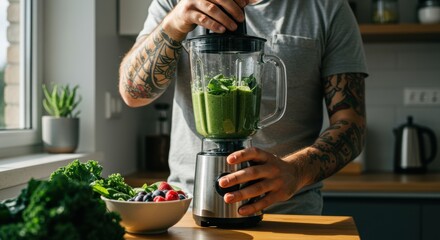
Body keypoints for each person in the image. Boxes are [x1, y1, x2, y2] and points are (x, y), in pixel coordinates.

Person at [119, 0, 368, 215]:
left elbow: (351, 124)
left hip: (289, 212)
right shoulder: (176, 3)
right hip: (186, 208)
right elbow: (133, 94)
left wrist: (296, 171)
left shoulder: (328, 8)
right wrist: (175, 22)